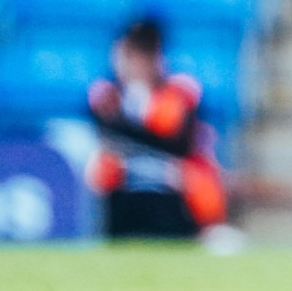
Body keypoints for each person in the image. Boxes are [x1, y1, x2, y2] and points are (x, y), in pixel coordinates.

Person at [85, 16, 230, 241]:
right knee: (101, 170)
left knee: (191, 179)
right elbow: (107, 136)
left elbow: (176, 141)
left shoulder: (177, 93)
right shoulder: (107, 95)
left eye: (142, 55)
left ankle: (206, 232)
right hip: (125, 191)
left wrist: (141, 109)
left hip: (169, 190)